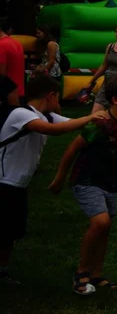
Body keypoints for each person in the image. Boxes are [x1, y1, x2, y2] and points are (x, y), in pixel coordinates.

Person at [0, 75, 105, 285]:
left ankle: (1, 271)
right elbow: (52, 130)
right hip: (4, 182)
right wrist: (90, 118)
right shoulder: (21, 114)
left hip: (18, 184)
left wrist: (104, 121)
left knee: (9, 232)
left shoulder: (46, 115)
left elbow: (72, 124)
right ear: (51, 95)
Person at [49, 76, 117, 294]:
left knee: (106, 228)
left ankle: (97, 274)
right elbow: (72, 149)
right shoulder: (99, 124)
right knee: (100, 223)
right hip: (87, 179)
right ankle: (81, 273)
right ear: (115, 99)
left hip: (111, 181)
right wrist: (60, 178)